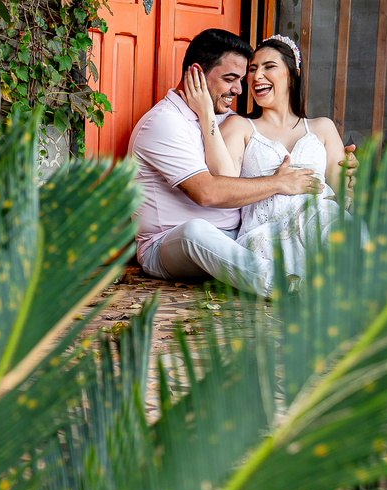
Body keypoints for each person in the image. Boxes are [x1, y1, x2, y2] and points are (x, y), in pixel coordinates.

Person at [127, 29, 355, 297]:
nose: (239, 88)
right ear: (197, 74)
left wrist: (343, 170)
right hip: (168, 244)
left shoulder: (225, 117)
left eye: (240, 79)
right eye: (230, 79)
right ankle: (288, 287)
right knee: (195, 231)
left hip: (236, 238)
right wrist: (279, 182)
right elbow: (208, 193)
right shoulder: (164, 123)